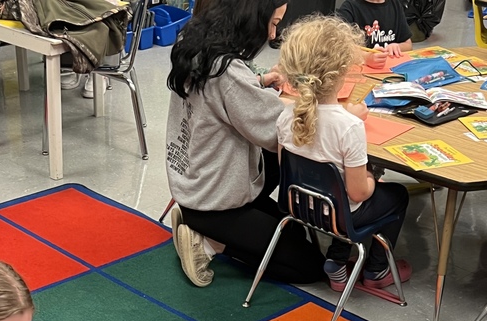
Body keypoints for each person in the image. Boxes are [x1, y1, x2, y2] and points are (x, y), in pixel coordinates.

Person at [166, 0, 325, 289]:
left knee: (295, 234)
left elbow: (219, 98)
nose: (274, 35)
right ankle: (211, 243)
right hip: (214, 202)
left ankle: (205, 229)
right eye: (274, 23)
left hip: (195, 184)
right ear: (253, 18)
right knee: (310, 265)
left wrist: (258, 82)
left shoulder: (197, 44)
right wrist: (333, 112)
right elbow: (281, 133)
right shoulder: (227, 72)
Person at [275, 14, 410, 293]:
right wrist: (373, 180)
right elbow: (359, 194)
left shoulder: (285, 114)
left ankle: (336, 263)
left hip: (299, 205)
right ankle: (376, 269)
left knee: (340, 189)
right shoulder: (348, 127)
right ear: (343, 73)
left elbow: (285, 166)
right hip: (338, 214)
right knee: (395, 195)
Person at [337, 0, 413, 70]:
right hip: (362, 73)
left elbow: (408, 44)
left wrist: (397, 47)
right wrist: (366, 57)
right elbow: (338, 48)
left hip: (391, 71)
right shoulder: (350, 7)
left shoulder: (395, 4)